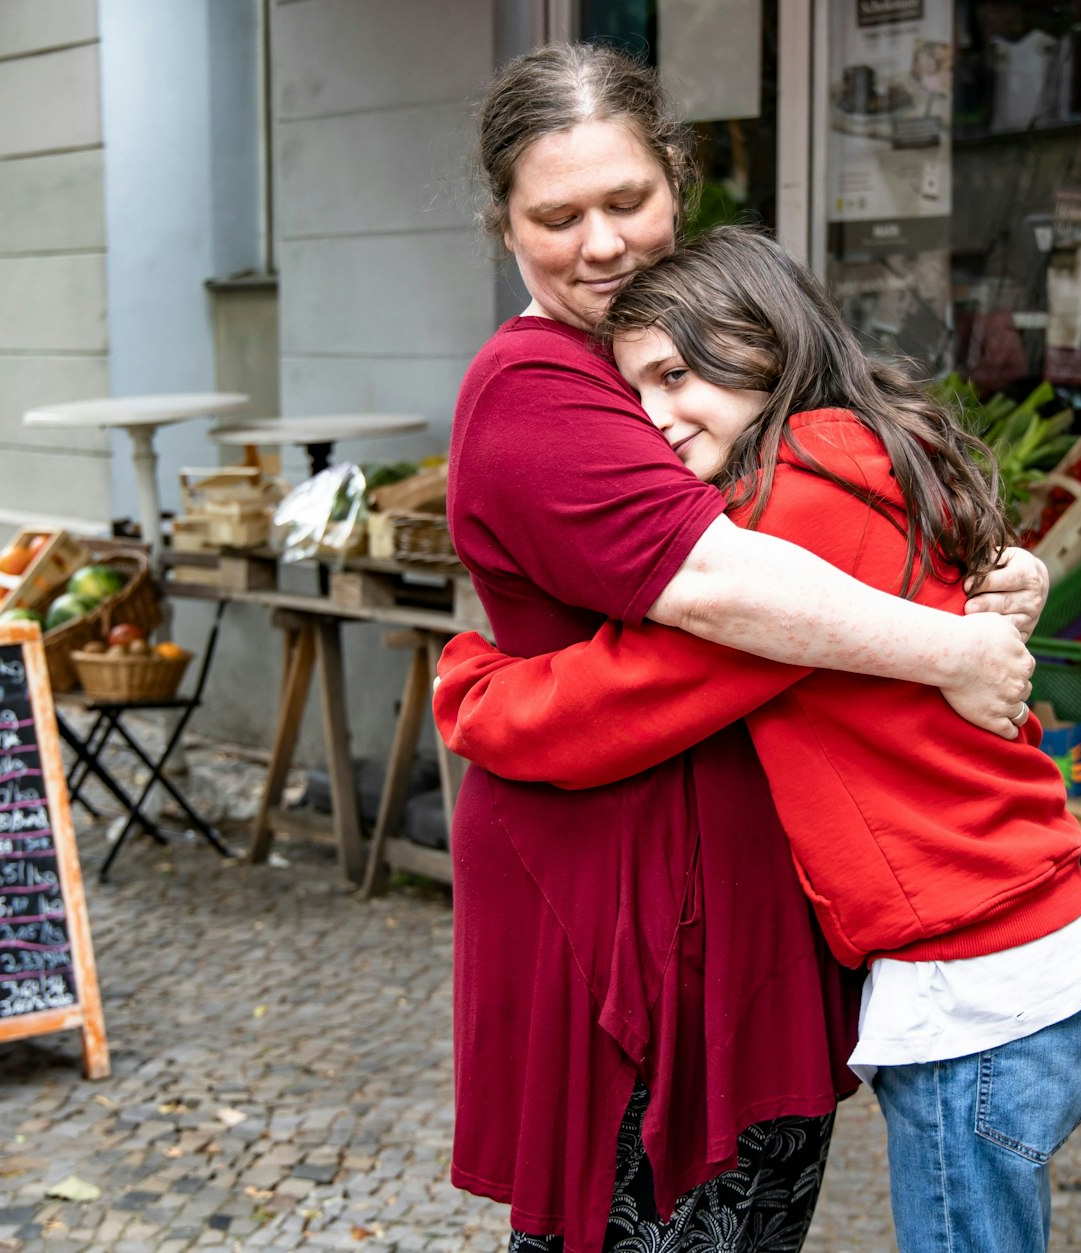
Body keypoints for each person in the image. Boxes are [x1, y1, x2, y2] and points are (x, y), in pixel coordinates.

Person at [449, 44, 1050, 1253]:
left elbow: (830, 521)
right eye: (556, 217)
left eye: (626, 201)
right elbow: (729, 589)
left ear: (677, 177)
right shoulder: (534, 392)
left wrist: (987, 566)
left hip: (725, 886)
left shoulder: (683, 339)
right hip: (626, 895)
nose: (603, 243)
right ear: (502, 224)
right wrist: (947, 642)